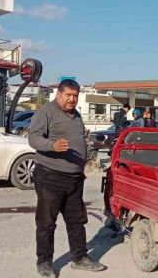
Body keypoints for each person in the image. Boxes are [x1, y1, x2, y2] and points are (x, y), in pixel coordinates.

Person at [28, 79, 107, 277]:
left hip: (73, 179)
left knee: (76, 221)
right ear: (59, 94)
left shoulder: (76, 115)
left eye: (75, 96)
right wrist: (52, 146)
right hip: (50, 176)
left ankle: (80, 258)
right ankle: (44, 262)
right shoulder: (46, 112)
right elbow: (33, 138)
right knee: (47, 223)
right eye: (68, 95)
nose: (72, 99)